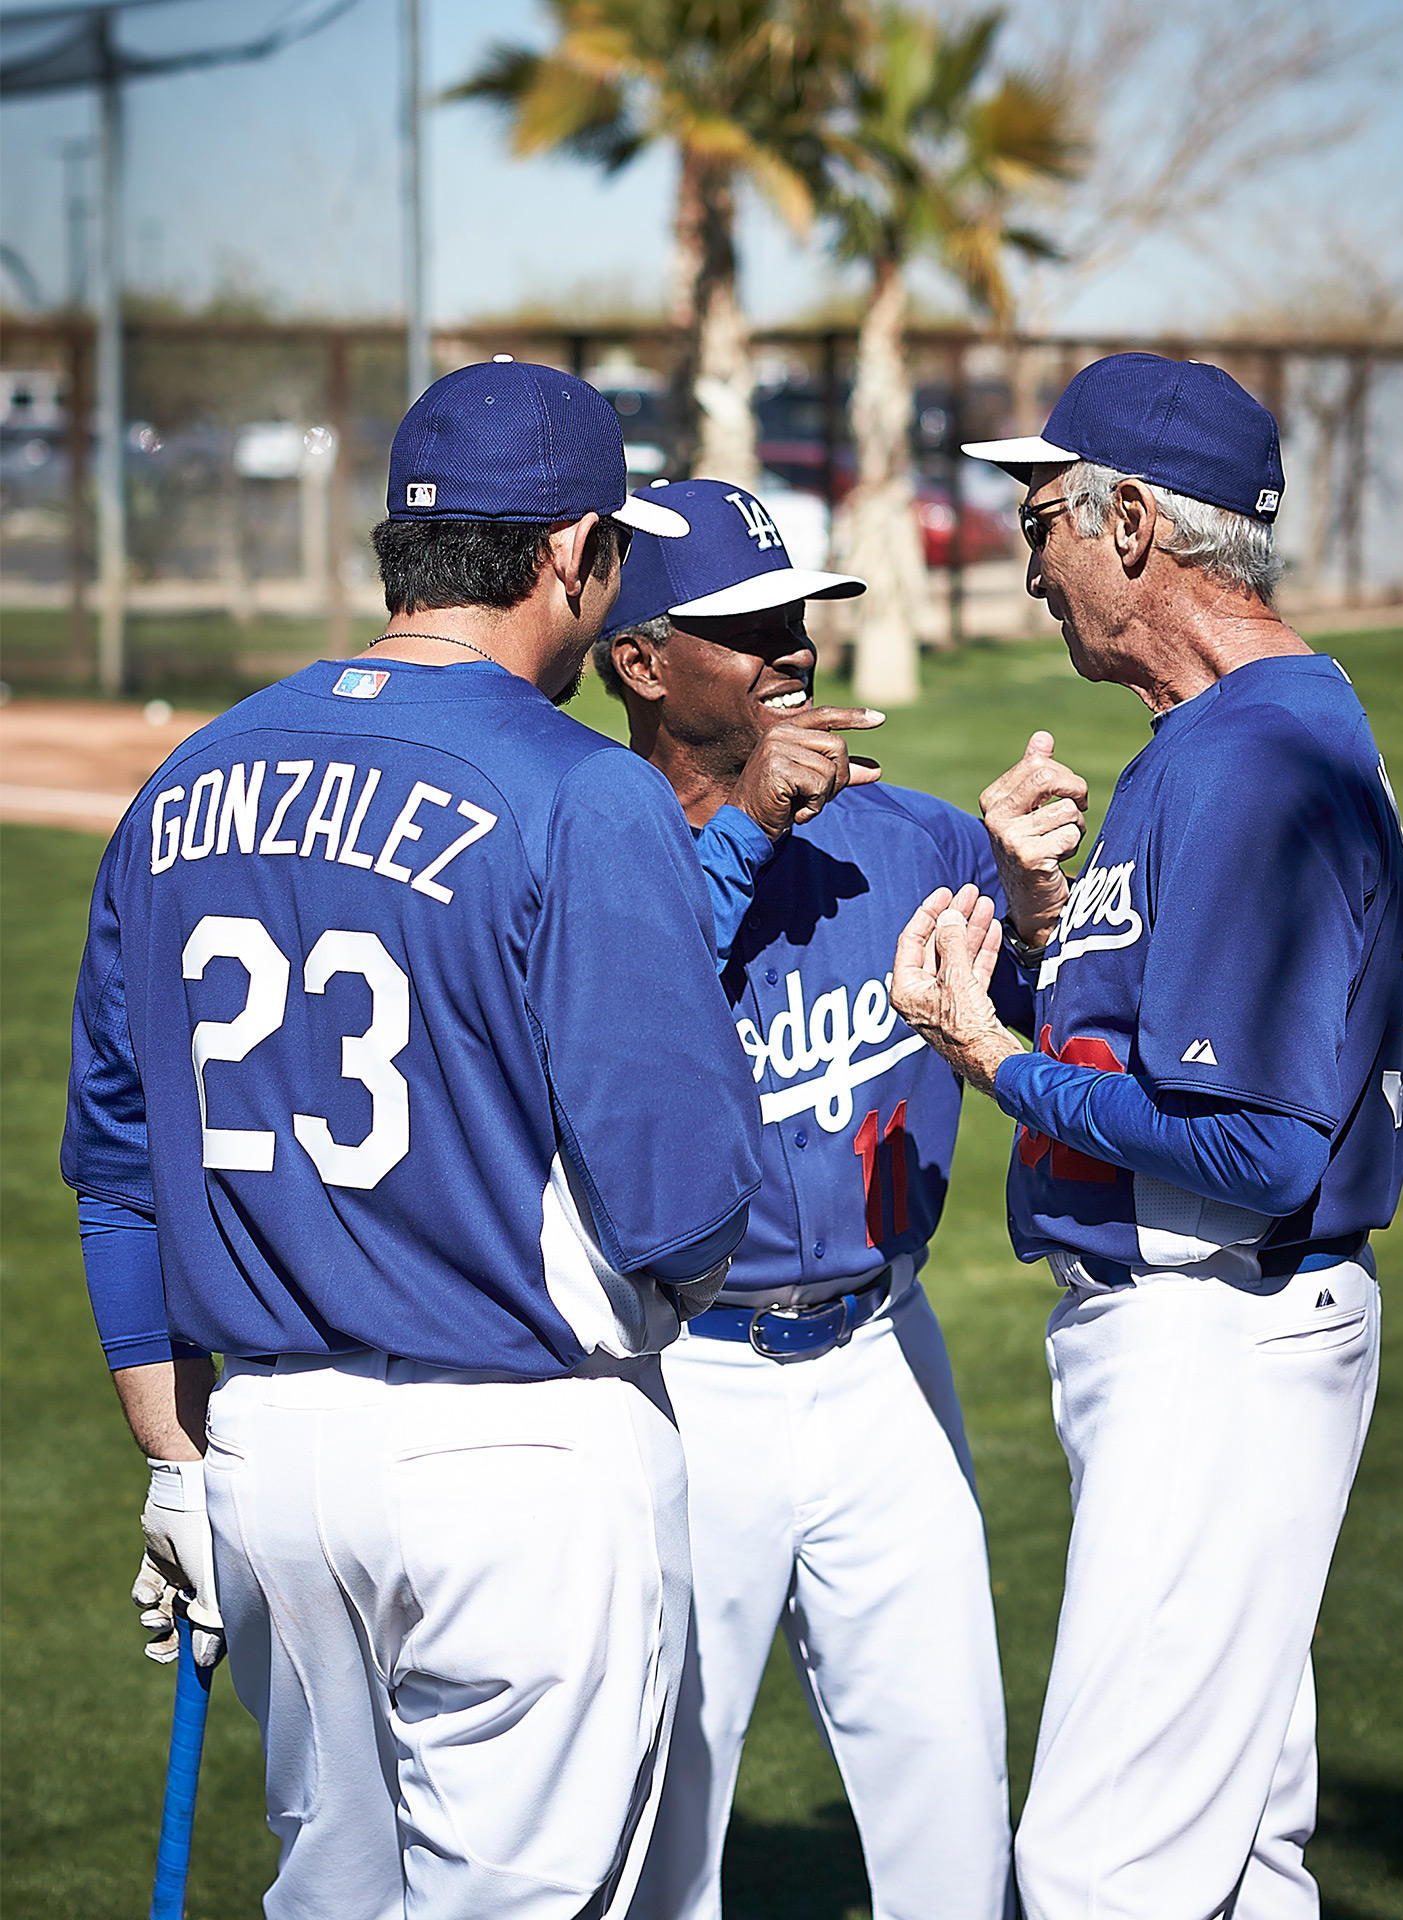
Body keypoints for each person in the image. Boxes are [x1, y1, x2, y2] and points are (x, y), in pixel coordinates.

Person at [61, 360, 763, 1920]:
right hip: (520, 1452)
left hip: (263, 1458)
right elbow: (687, 1206)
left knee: (332, 1900)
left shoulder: (187, 777)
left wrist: (173, 1461)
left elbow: (117, 1167)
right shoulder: (586, 792)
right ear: (574, 553)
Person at [890, 351, 1403, 1917]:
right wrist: (1031, 932)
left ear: (1137, 524)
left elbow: (1250, 1149)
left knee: (1102, 1868)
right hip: (1217, 1333)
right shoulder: (1242, 730)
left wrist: (990, 1056)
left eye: (1045, 523)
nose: (1031, 567)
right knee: (1235, 1852)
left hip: (1218, 1333)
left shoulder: (1246, 753)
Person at [590, 478, 1080, 1920]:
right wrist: (746, 818)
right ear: (638, 660)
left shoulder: (916, 839)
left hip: (883, 1364)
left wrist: (1031, 909)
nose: (791, 646)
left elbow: (1041, 1031)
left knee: (952, 1801)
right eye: (745, 627)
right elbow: (624, 1016)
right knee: (660, 1830)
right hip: (681, 1382)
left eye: (796, 614)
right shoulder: (581, 847)